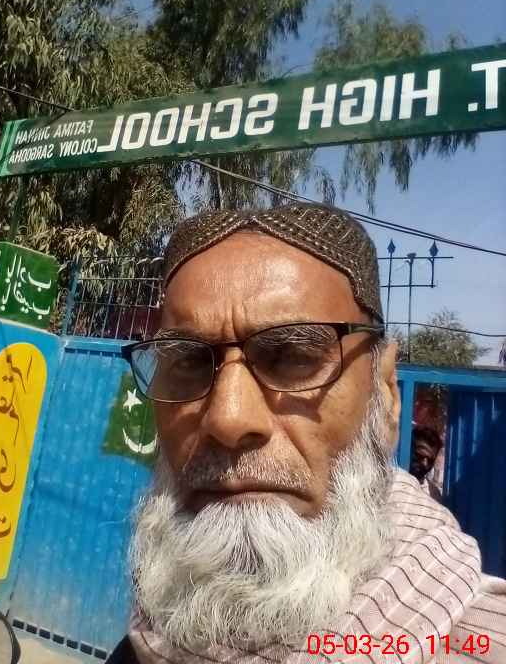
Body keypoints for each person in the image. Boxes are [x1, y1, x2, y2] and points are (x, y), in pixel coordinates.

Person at [110, 204, 506, 664]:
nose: (228, 419)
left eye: (295, 356)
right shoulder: (148, 636)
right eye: (188, 361)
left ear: (385, 393)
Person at [409, 425, 443, 501]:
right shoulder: (392, 481)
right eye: (420, 456)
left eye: (430, 460)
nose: (425, 464)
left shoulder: (434, 495)